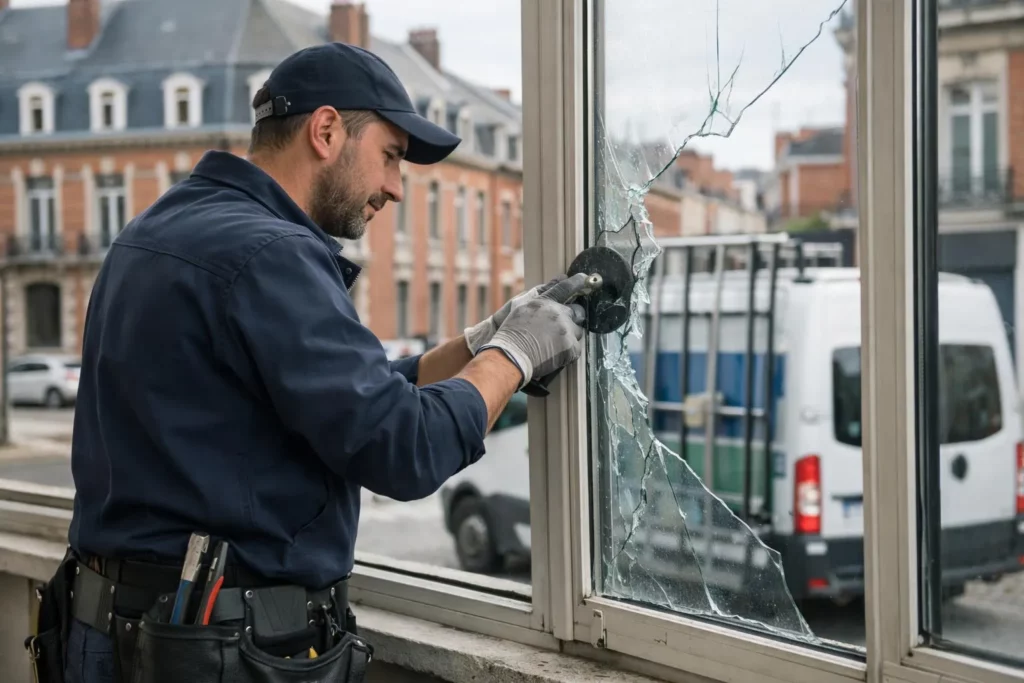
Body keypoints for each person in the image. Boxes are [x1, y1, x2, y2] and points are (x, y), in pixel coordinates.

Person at [54, 42, 588, 683]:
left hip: (101, 632)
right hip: (205, 653)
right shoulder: (272, 252)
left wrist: (476, 345)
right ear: (327, 130)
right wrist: (517, 355)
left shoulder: (153, 230)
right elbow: (400, 446)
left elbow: (330, 400)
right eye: (390, 156)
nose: (394, 187)